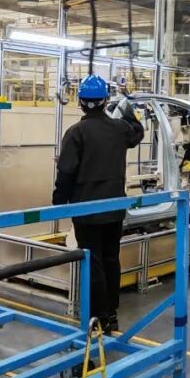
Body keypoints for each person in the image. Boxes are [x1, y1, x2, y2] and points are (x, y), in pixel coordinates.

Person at [52, 74, 144, 333]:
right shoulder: (120, 129)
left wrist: (59, 203)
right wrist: (126, 107)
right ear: (105, 101)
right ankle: (111, 315)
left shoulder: (76, 133)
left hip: (86, 210)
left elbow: (66, 173)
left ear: (80, 102)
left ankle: (98, 316)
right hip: (114, 209)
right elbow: (138, 131)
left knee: (92, 261)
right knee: (111, 259)